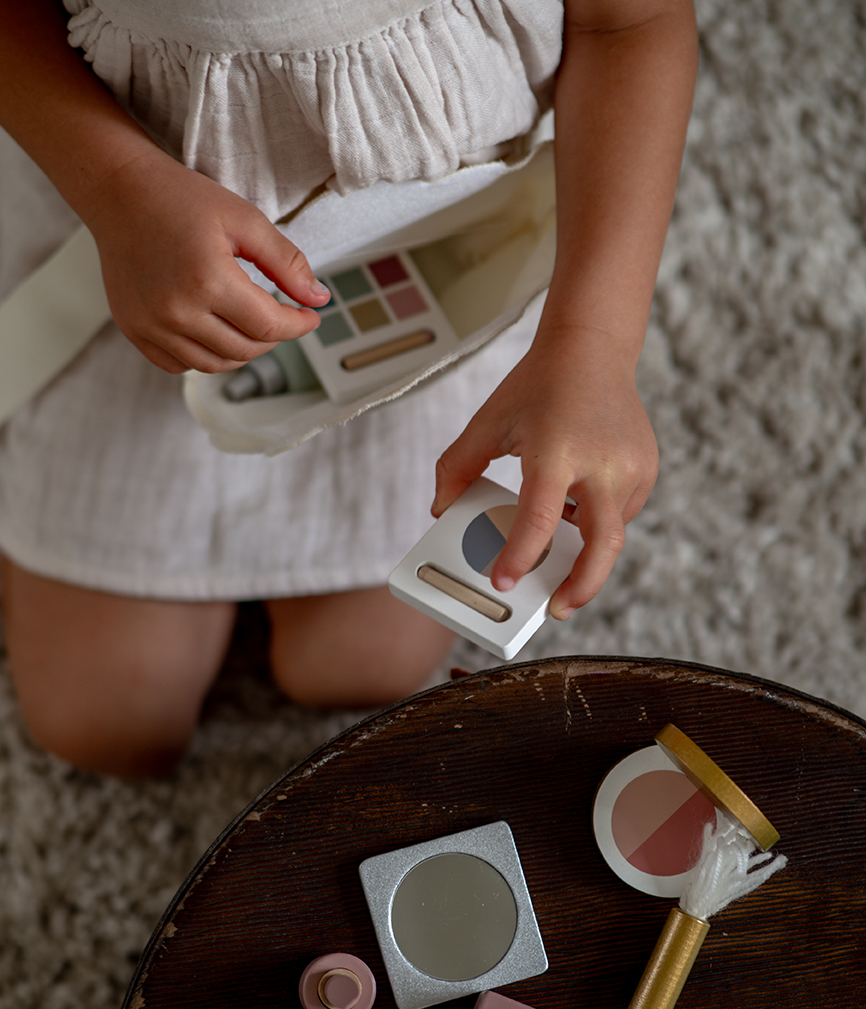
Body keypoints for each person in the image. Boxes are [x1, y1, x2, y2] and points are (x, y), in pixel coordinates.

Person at [0, 0, 698, 778]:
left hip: (440, 265)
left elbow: (632, 24)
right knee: (102, 723)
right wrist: (116, 184)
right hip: (136, 232)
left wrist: (593, 344)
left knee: (363, 667)